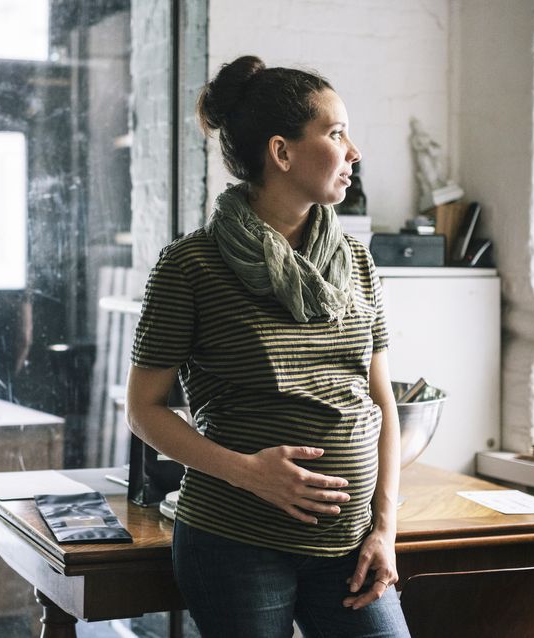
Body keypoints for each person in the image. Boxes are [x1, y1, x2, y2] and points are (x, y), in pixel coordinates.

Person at [125, 55, 410, 637]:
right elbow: (143, 409)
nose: (353, 151)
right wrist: (249, 473)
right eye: (335, 134)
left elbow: (382, 403)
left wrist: (385, 528)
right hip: (235, 543)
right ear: (281, 153)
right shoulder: (190, 267)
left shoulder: (356, 261)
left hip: (351, 541)